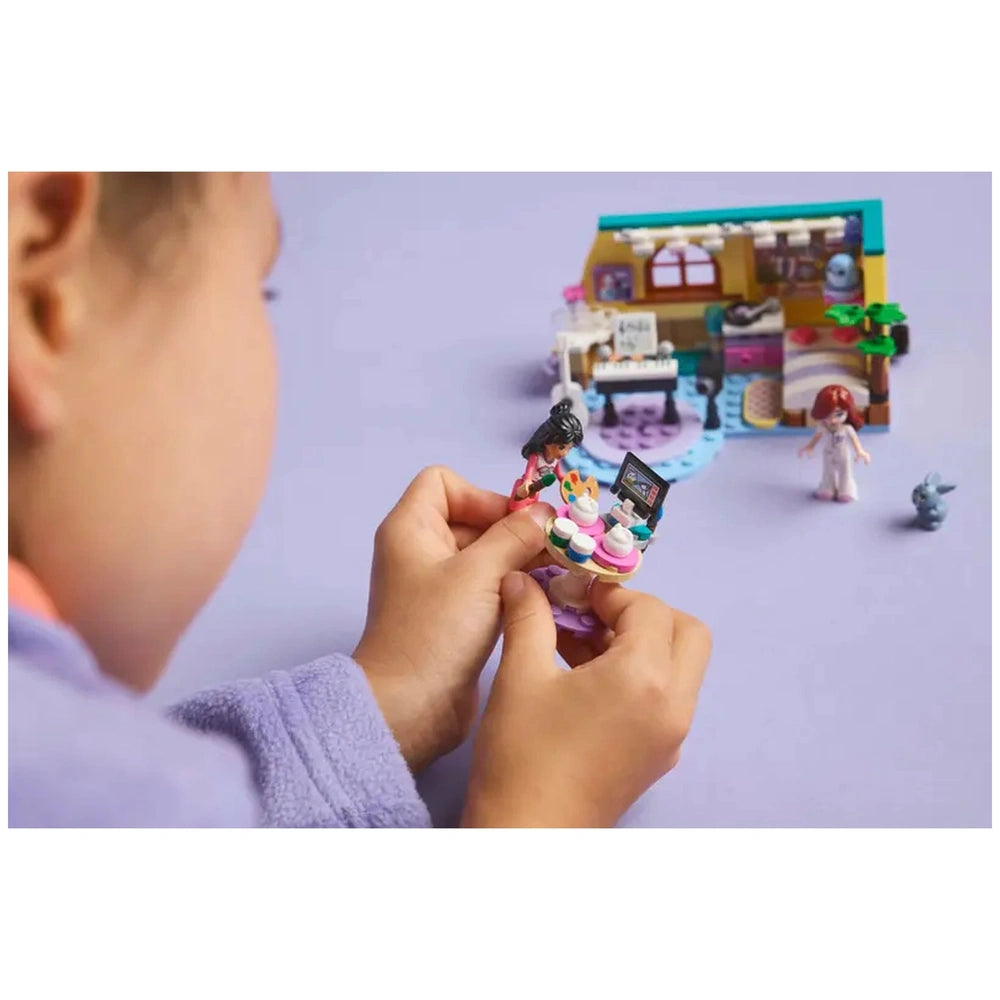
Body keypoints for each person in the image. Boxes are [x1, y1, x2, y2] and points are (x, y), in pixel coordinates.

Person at [8, 172, 711, 828]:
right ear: (44, 293)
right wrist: (539, 807)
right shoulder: (131, 800)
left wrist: (399, 700)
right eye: (261, 288)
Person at [797, 384, 871, 502]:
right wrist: (810, 447)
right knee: (827, 472)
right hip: (828, 453)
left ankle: (846, 489)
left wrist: (860, 451)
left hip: (843, 454)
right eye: (827, 415)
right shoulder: (823, 427)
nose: (832, 420)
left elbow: (854, 440)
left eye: (838, 414)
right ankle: (827, 487)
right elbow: (817, 437)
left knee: (845, 472)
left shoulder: (846, 428)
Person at [509, 399, 584, 511]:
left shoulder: (555, 460)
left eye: (569, 448)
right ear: (547, 439)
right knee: (515, 510)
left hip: (537, 489)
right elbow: (529, 471)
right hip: (524, 487)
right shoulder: (536, 457)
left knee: (529, 511)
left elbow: (558, 474)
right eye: (561, 447)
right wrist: (527, 481)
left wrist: (566, 482)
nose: (564, 453)